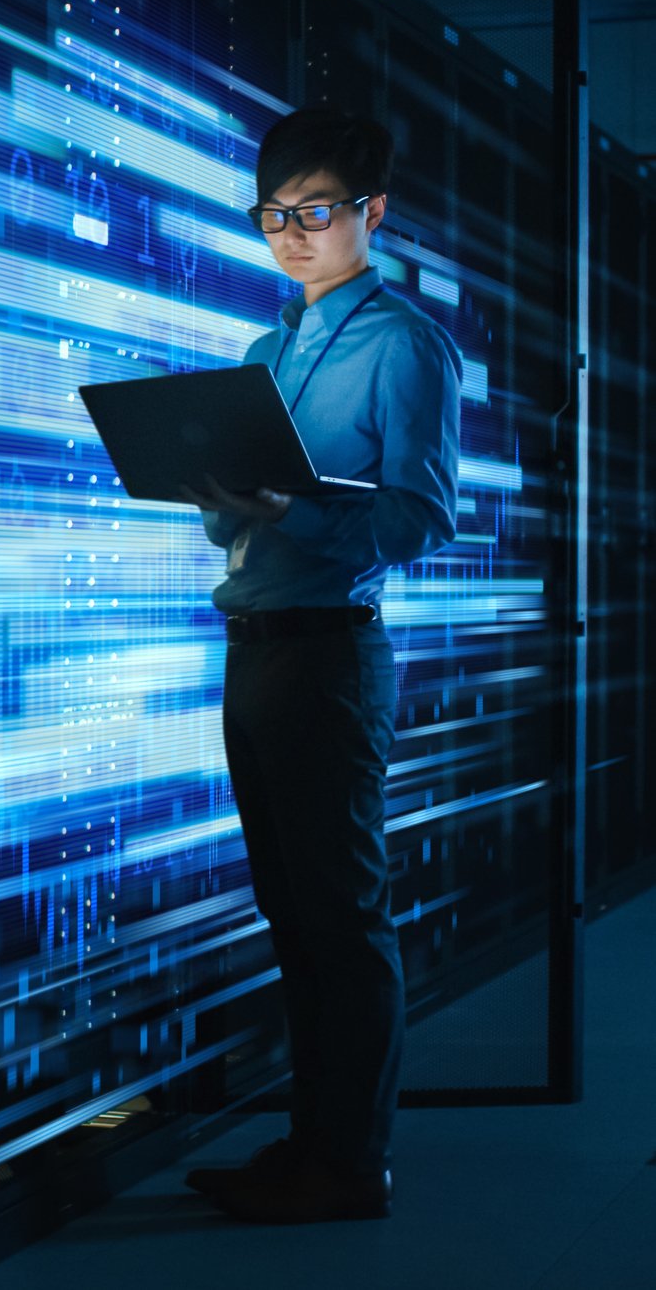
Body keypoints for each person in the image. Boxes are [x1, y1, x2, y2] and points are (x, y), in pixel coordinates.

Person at [174, 108, 461, 1223]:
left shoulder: (402, 345)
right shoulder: (263, 352)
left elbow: (417, 518)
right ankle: (312, 1144)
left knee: (339, 917)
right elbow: (244, 528)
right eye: (271, 215)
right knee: (290, 915)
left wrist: (286, 512)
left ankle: (348, 1161)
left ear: (369, 214)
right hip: (252, 651)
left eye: (313, 211)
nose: (289, 234)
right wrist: (227, 505)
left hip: (329, 658)